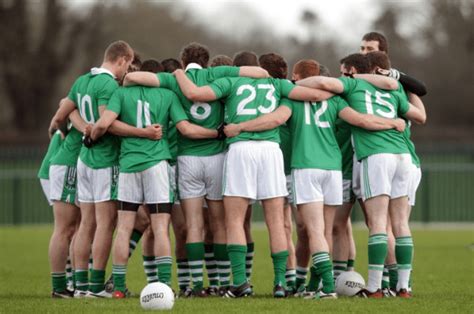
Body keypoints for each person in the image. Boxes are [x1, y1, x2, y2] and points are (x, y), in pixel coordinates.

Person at [173, 52, 334, 298]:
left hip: (241, 149)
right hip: (271, 151)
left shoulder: (230, 81)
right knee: (276, 223)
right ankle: (280, 283)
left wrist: (178, 73)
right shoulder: (276, 84)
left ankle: (240, 283)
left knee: (235, 220)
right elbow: (316, 94)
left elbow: (196, 94)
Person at [123, 42, 269, 297]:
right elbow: (261, 74)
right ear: (206, 60)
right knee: (220, 223)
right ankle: (222, 283)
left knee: (193, 225)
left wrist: (174, 74)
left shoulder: (172, 80)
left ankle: (194, 285)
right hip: (216, 157)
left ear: (183, 60)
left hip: (187, 159)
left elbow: (132, 77)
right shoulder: (217, 74)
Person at [89, 57, 222, 298]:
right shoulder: (167, 96)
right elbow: (186, 129)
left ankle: (118, 287)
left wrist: (91, 137)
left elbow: (105, 123)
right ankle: (164, 286)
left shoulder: (120, 94)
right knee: (161, 228)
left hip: (129, 166)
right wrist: (218, 132)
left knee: (125, 228)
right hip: (157, 166)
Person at [297, 52, 425, 298]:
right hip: (403, 156)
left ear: (353, 71)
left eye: (344, 71)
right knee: (399, 224)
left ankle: (375, 287)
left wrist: (294, 85)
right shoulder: (394, 88)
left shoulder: (352, 84)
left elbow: (323, 83)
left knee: (377, 223)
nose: (341, 75)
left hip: (376, 155)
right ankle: (403, 287)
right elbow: (420, 116)